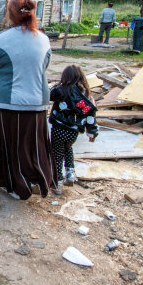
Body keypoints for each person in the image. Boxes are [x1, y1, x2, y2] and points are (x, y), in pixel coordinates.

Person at [0, 0, 55, 200]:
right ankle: (38, 179)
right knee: (35, 145)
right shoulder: (43, 39)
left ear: (10, 15)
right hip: (38, 102)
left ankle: (17, 186)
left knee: (11, 146)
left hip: (10, 102)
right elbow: (44, 66)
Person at [49, 65, 99, 195]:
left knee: (57, 154)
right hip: (73, 132)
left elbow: (47, 95)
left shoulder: (60, 90)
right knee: (68, 149)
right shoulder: (83, 96)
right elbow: (89, 114)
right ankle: (70, 174)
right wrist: (92, 132)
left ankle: (57, 181)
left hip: (58, 129)